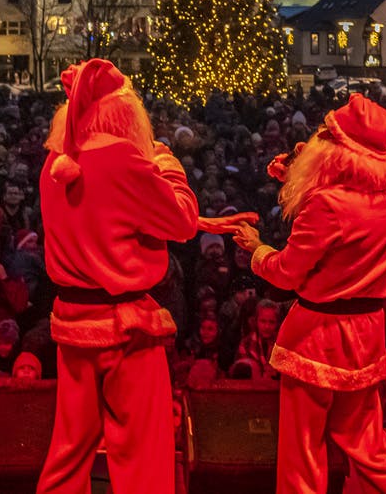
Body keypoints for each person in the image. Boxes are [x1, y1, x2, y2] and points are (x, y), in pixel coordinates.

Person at [35, 59, 252, 494]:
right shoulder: (124, 160)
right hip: (126, 330)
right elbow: (182, 221)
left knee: (68, 452)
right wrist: (166, 164)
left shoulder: (54, 165)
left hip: (74, 328)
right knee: (141, 457)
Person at [235, 93, 386, 494]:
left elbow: (286, 273)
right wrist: (298, 172)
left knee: (303, 451)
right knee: (368, 441)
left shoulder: (326, 204)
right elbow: (352, 204)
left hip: (316, 339)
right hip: (366, 334)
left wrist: (256, 249)